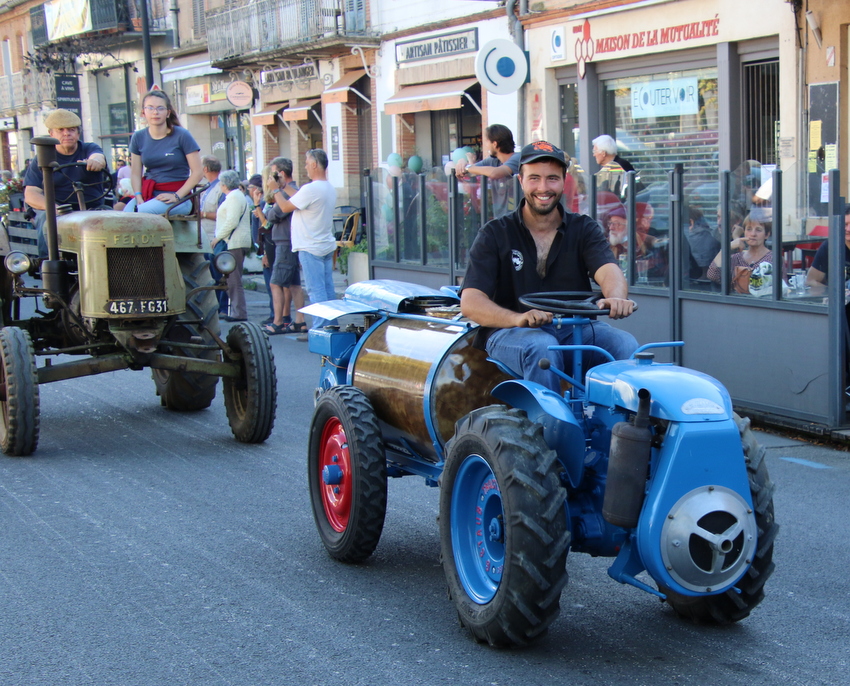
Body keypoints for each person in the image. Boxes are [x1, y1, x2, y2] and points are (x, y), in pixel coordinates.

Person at [460, 140, 638, 394]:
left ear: (564, 182)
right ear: (521, 180)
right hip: (511, 330)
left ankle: (614, 417)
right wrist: (517, 318)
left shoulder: (584, 228)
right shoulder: (495, 233)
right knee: (542, 346)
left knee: (624, 343)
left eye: (552, 178)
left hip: (574, 328)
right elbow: (471, 302)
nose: (543, 188)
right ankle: (546, 418)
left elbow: (608, 269)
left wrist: (616, 297)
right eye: (534, 178)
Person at [23, 108, 108, 258]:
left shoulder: (89, 148)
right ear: (51, 134)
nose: (66, 133)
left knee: (114, 220)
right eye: (61, 130)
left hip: (92, 208)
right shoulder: (43, 157)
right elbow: (31, 194)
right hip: (58, 209)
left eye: (71, 130)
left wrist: (95, 162)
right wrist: (55, 209)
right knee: (46, 219)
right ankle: (48, 263)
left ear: (78, 133)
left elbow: (98, 157)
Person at [270, 148, 337, 329]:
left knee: (316, 291)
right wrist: (284, 186)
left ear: (314, 165)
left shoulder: (311, 188)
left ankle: (321, 329)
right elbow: (300, 198)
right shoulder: (328, 188)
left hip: (310, 246)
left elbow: (285, 207)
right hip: (324, 245)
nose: (305, 167)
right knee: (327, 290)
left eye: (307, 163)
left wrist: (275, 190)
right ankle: (332, 327)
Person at [123, 90, 203, 215]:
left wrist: (176, 196)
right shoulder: (138, 137)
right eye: (150, 108)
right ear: (143, 112)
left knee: (138, 214)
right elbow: (135, 173)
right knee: (123, 215)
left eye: (160, 108)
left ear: (168, 113)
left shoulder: (182, 135)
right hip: (148, 194)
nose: (155, 112)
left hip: (178, 197)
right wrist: (138, 196)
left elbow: (198, 172)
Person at [261, 158, 307, 335]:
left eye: (273, 173)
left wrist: (273, 198)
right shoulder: (292, 191)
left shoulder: (287, 192)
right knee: (294, 284)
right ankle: (300, 321)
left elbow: (274, 215)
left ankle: (278, 322)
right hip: (289, 241)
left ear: (280, 174)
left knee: (275, 283)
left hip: (285, 242)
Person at [455, 124, 520, 218]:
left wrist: (468, 167)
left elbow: (495, 173)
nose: (485, 145)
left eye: (486, 141)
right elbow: (472, 171)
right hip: (501, 219)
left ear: (495, 144)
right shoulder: (493, 160)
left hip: (517, 220)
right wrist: (462, 162)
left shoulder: (517, 158)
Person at [707, 209, 776, 296]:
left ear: (767, 234)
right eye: (749, 229)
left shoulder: (773, 258)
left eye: (758, 230)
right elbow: (712, 275)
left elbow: (781, 289)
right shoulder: (736, 258)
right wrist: (727, 248)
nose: (753, 234)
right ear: (744, 232)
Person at [212, 170, 252, 322]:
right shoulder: (236, 196)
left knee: (233, 279)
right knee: (231, 279)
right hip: (235, 241)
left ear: (224, 184)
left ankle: (239, 312)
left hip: (234, 242)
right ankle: (236, 311)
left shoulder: (234, 197)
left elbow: (232, 221)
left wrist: (217, 238)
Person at [198, 156, 228, 316]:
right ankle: (212, 306)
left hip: (216, 237)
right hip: (206, 237)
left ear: (205, 169)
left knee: (218, 274)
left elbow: (223, 214)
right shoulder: (206, 187)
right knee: (209, 274)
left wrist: (203, 214)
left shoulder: (220, 188)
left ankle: (222, 308)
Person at [806, 206, 850, 295]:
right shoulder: (830, 246)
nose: (848, 229)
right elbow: (811, 281)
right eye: (845, 224)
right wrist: (835, 292)